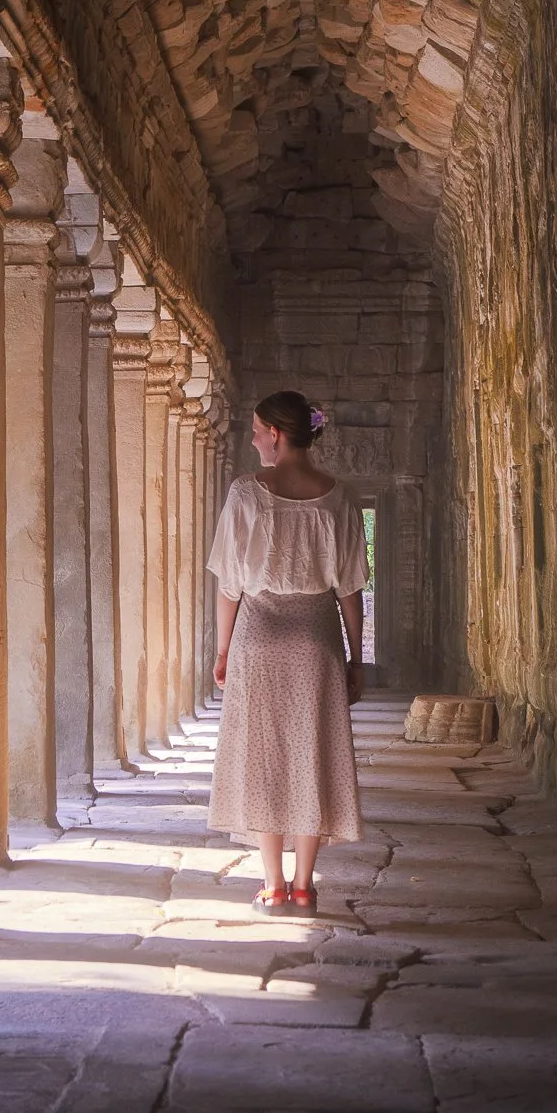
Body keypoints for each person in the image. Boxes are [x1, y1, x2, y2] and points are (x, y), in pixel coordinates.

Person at [207, 390, 368, 912]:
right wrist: (354, 657)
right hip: (316, 637)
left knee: (264, 758)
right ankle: (305, 884)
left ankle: (273, 883)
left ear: (276, 434)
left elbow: (230, 584)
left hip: (259, 634)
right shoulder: (339, 496)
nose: (253, 440)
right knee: (312, 754)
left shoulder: (246, 493)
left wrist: (224, 648)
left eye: (256, 431)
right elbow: (349, 589)